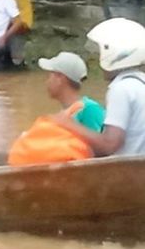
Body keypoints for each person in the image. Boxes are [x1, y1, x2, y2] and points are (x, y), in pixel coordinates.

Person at [51, 19, 145, 157]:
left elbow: (109, 145)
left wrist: (68, 124)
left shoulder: (121, 89)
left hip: (126, 173)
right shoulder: (140, 83)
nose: (97, 58)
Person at [8, 51, 105, 166]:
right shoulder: (63, 114)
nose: (47, 81)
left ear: (60, 78)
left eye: (50, 76)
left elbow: (99, 151)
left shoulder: (88, 109)